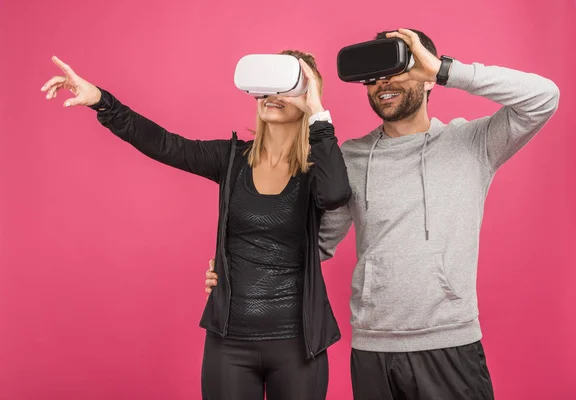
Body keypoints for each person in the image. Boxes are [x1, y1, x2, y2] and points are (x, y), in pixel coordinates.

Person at [204, 28, 560, 399]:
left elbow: (544, 98)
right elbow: (315, 245)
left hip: (450, 345)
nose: (382, 84)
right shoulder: (353, 158)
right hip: (372, 351)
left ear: (427, 79)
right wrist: (236, 271)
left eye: (397, 70)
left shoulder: (473, 144)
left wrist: (443, 69)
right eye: (372, 78)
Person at [41, 50, 352, 400]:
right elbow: (164, 144)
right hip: (229, 343)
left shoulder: (317, 169)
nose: (271, 96)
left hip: (299, 344)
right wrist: (101, 101)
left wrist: (317, 113)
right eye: (265, 87)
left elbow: (335, 195)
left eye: (284, 86)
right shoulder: (231, 158)